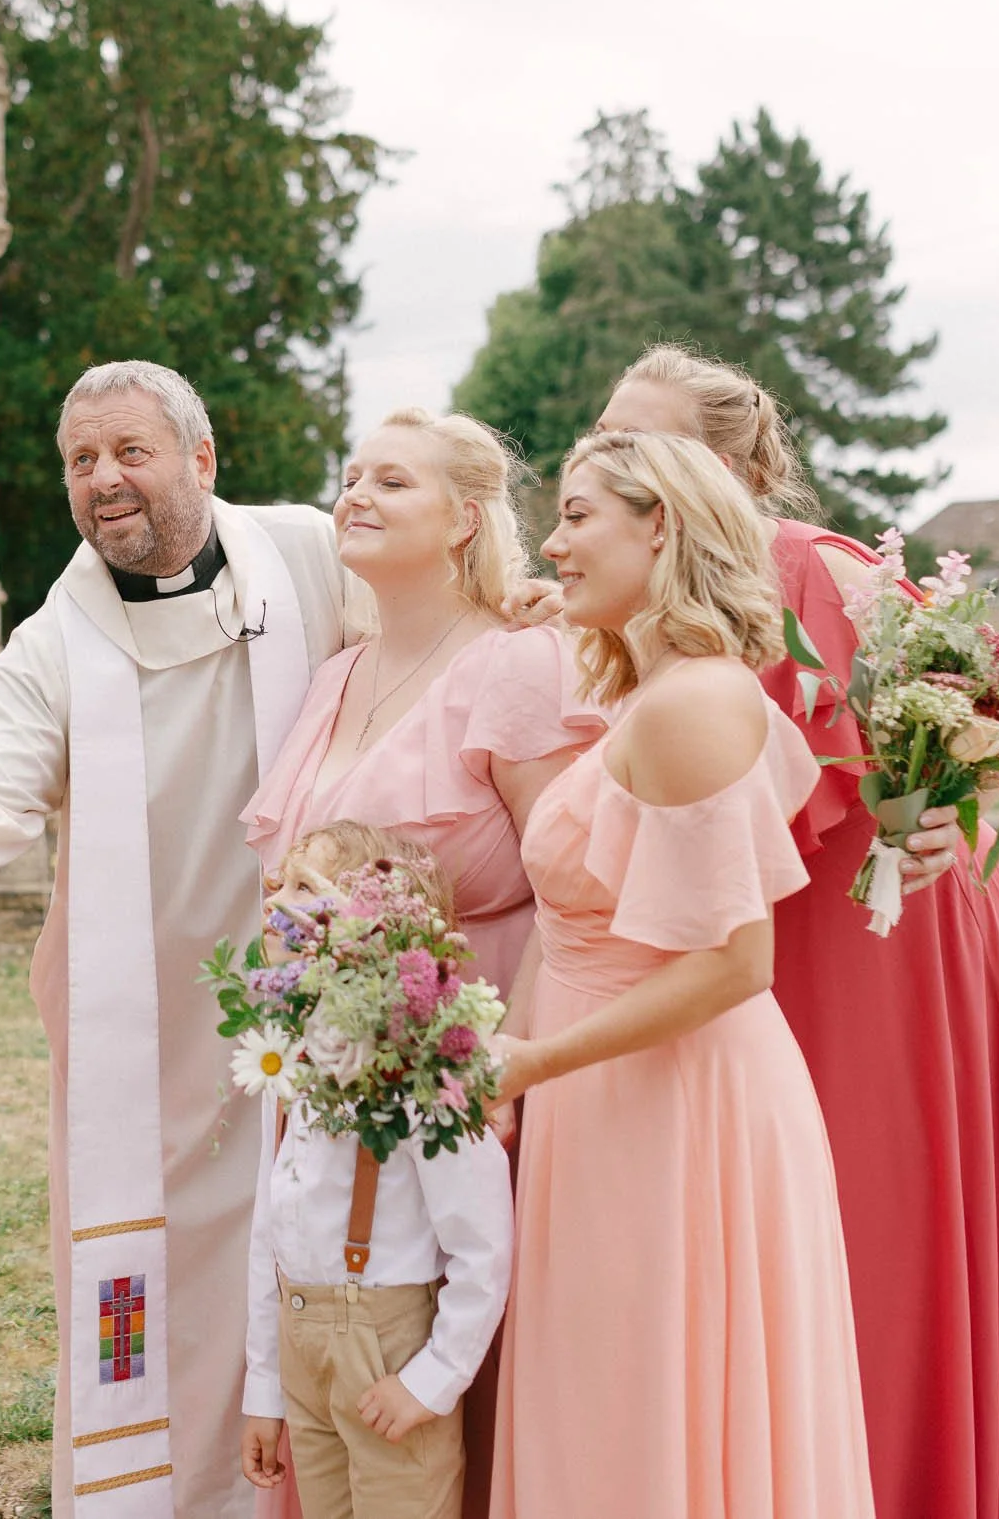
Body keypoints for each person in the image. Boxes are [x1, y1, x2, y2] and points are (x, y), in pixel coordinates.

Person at [598, 344, 999, 1518]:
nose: (618, 462)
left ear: (740, 463)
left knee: (869, 1227)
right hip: (763, 936)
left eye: (650, 441)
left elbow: (966, 721)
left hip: (878, 941)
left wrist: (952, 805)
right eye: (607, 440)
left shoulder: (813, 569)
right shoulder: (623, 580)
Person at [0, 360, 353, 1519]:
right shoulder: (57, 638)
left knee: (321, 1255)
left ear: (202, 460)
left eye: (129, 452)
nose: (102, 480)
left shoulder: (310, 556)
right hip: (145, 1028)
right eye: (77, 461)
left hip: (322, 999)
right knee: (150, 1287)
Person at [491, 430, 873, 1518]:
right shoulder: (645, 692)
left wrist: (530, 1062)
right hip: (599, 1091)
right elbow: (575, 928)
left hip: (670, 1106)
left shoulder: (692, 702)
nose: (553, 543)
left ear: (658, 521)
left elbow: (733, 963)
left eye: (575, 516)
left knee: (644, 1404)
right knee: (609, 1397)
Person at [240, 406, 598, 1518]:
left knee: (450, 1384)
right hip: (330, 1081)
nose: (355, 492)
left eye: (391, 480)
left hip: (474, 1078)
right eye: (350, 473)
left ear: (464, 519)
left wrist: (500, 1070)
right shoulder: (334, 675)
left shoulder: (519, 662)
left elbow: (572, 896)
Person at [240, 823, 514, 1519]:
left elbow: (481, 1242)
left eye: (304, 886)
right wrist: (265, 1390)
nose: (277, 896)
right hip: (302, 1340)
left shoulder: (420, 1070)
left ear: (371, 928)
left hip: (387, 1347)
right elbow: (269, 1232)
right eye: (280, 881)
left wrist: (432, 1379)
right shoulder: (294, 1056)